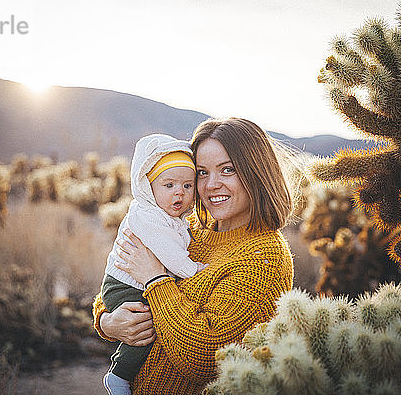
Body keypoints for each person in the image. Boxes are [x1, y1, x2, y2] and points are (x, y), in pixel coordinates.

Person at [93, 117, 295, 394]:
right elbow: (122, 278)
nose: (211, 185)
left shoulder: (264, 257)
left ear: (256, 173)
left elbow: (205, 358)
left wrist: (156, 280)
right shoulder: (187, 228)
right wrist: (108, 322)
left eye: (227, 170)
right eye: (202, 172)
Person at [101, 133, 207, 395]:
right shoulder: (149, 218)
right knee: (146, 328)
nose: (179, 193)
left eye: (187, 186)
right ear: (150, 188)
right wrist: (193, 270)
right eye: (168, 185)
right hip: (124, 286)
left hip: (132, 282)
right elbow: (172, 256)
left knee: (148, 323)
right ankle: (119, 375)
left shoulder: (174, 219)